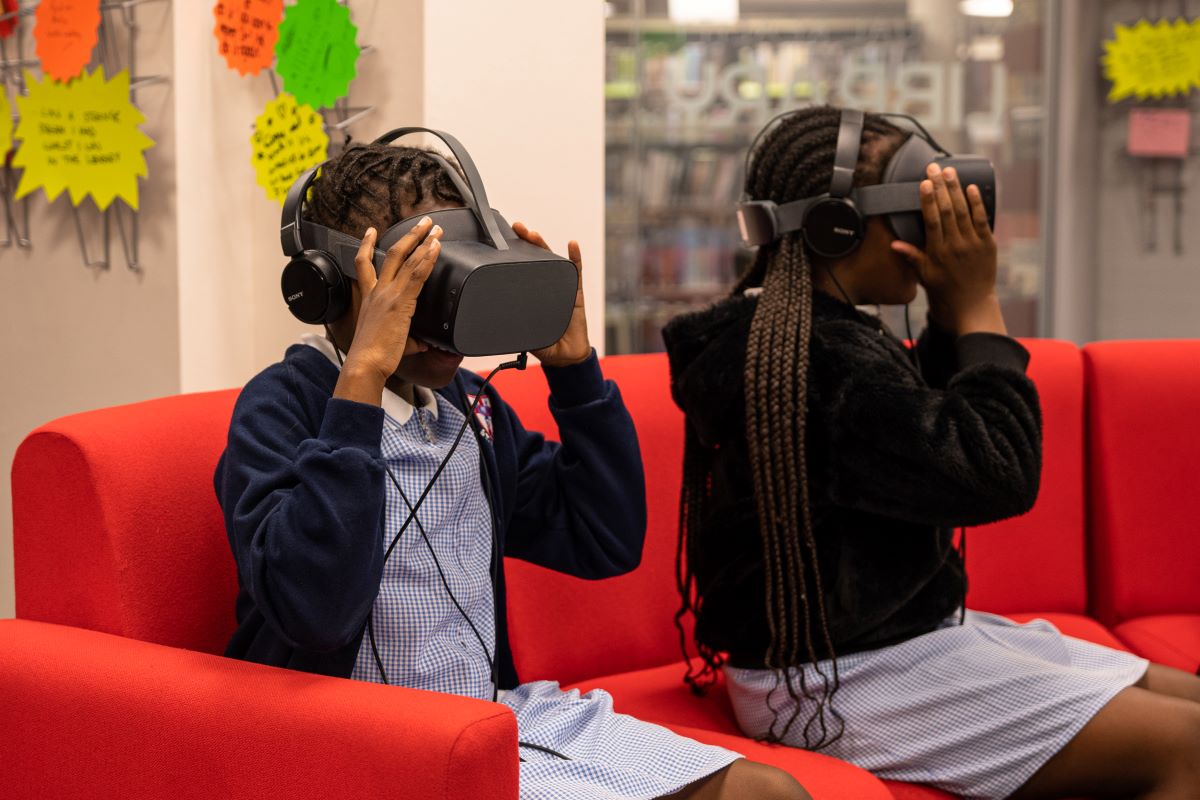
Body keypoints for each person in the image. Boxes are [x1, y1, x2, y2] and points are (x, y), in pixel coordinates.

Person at [216, 142, 809, 800]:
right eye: (412, 286)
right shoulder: (283, 408)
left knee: (770, 793)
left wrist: (575, 374)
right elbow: (315, 612)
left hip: (489, 714)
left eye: (454, 283)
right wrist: (361, 378)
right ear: (326, 286)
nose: (441, 323)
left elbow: (603, 538)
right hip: (364, 736)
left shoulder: (468, 408)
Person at [663, 106, 1200, 799]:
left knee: (1184, 695)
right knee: (1186, 746)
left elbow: (924, 437)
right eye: (922, 216)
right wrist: (978, 303)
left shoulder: (806, 339)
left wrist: (949, 317)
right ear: (839, 227)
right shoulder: (819, 364)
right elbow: (994, 473)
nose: (942, 236)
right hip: (842, 679)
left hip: (887, 647)